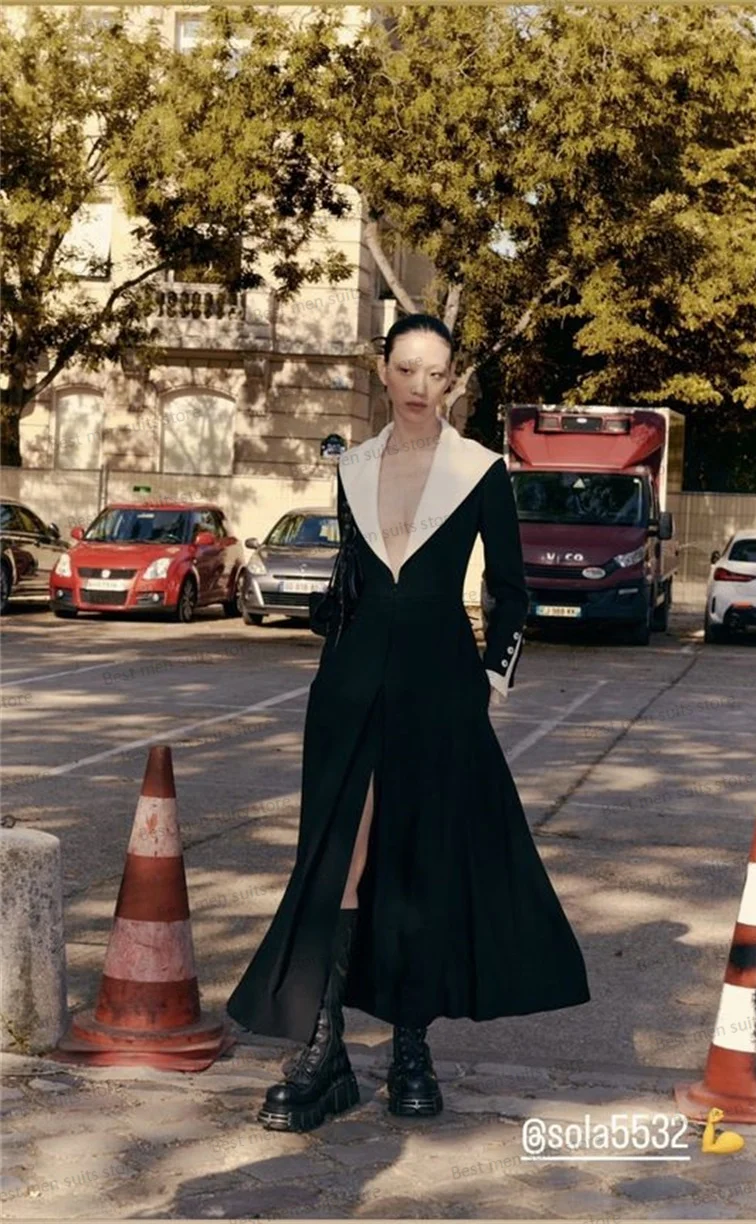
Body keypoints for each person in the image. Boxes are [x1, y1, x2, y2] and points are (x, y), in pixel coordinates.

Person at [226, 313, 590, 1133]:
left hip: (440, 690)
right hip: (348, 687)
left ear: (452, 380)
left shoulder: (478, 468)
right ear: (382, 374)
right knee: (339, 862)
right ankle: (324, 1054)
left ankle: (411, 1050)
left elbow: (513, 591)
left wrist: (488, 680)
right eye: (409, 370)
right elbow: (355, 576)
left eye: (438, 373)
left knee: (419, 861)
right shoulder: (350, 467)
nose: (423, 386)